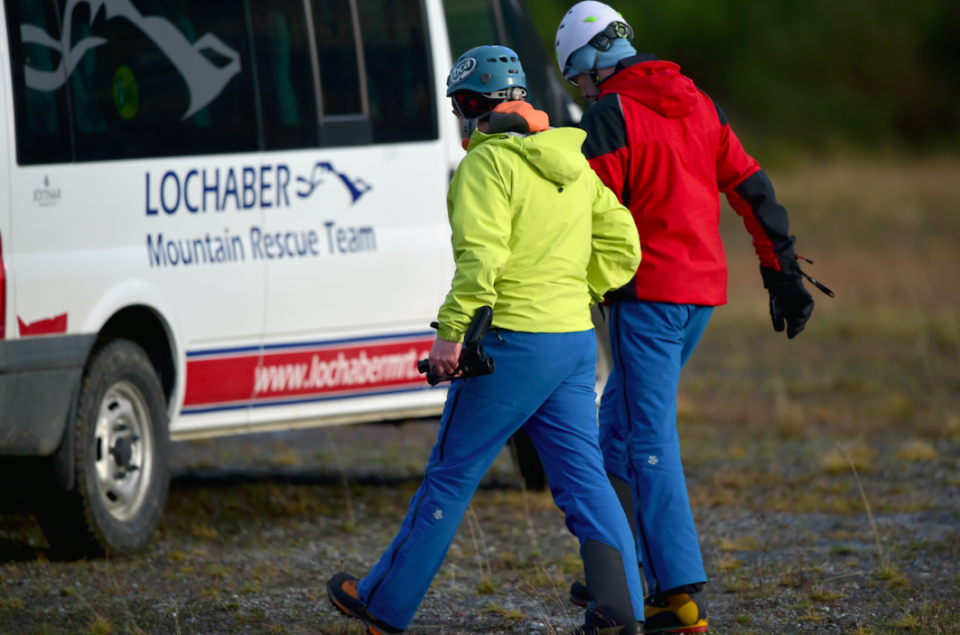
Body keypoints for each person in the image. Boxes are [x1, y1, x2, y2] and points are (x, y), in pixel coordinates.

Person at [326, 45, 647, 635]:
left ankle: (383, 605)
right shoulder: (574, 161)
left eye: (459, 106)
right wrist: (578, 289)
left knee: (451, 473)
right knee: (584, 478)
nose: (459, 118)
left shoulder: (485, 165)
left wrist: (451, 337)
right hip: (573, 341)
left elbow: (482, 259)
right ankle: (621, 612)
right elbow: (625, 245)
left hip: (510, 347)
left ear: (474, 105)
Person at [555, 2, 822, 633]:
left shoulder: (608, 115)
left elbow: (586, 213)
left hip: (646, 297)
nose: (580, 89)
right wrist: (780, 272)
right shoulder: (698, 102)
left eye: (577, 76)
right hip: (700, 295)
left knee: (645, 440)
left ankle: (675, 595)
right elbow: (752, 187)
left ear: (593, 60)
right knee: (614, 431)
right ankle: (619, 573)